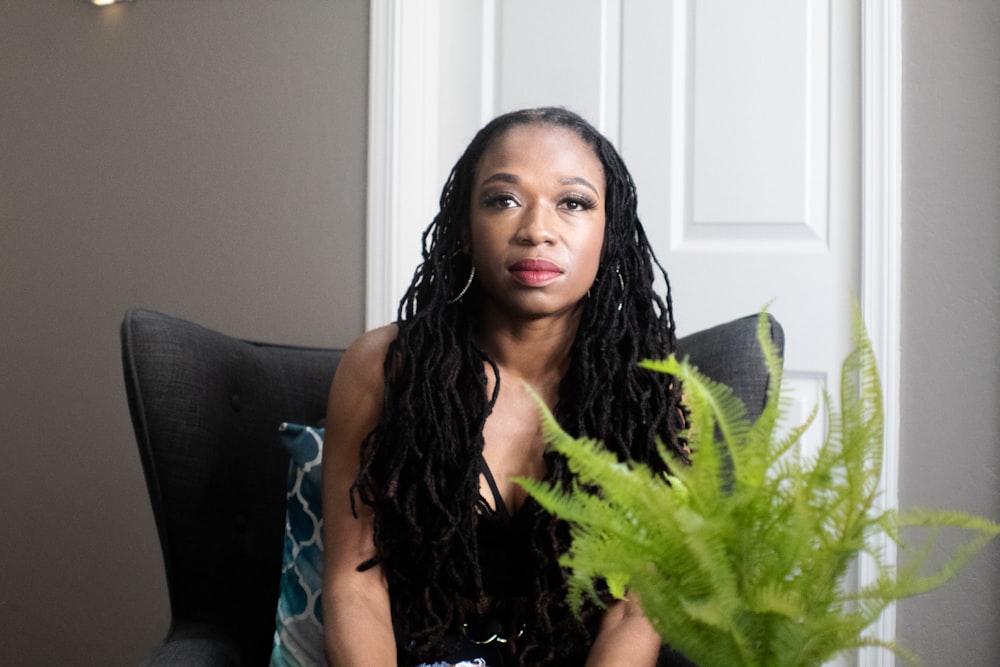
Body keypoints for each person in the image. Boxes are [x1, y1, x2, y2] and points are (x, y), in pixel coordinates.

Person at [321, 107, 690, 667]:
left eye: (574, 202)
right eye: (503, 199)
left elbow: (637, 608)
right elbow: (355, 582)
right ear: (465, 230)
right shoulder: (383, 368)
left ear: (609, 232)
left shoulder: (652, 393)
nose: (537, 230)